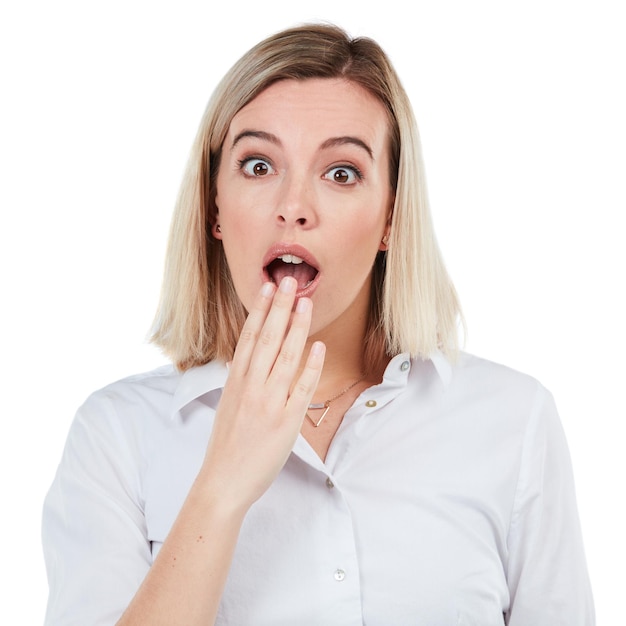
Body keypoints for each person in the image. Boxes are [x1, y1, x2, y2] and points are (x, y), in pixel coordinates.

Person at [42, 23, 595, 625]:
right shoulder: (116, 437)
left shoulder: (514, 422)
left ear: (390, 216)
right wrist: (222, 486)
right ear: (214, 207)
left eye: (341, 173)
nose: (293, 206)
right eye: (258, 165)